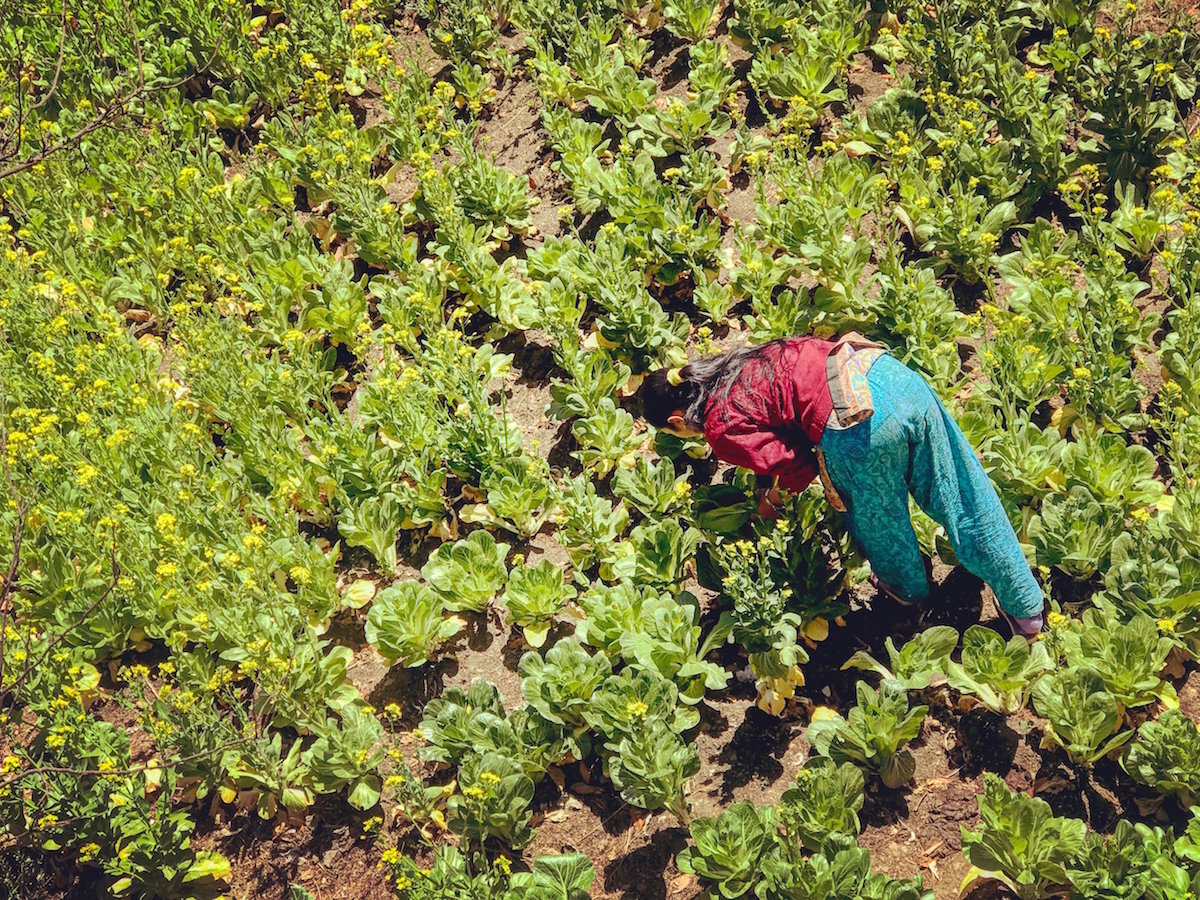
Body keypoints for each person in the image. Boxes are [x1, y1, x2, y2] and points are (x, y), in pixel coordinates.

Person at [638, 334, 1045, 636]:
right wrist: (766, 481)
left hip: (857, 425)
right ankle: (1026, 608)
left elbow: (793, 461)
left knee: (876, 520)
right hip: (889, 376)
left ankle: (908, 589)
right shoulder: (738, 362)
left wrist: (774, 494)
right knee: (962, 493)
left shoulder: (716, 428)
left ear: (677, 421)